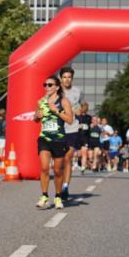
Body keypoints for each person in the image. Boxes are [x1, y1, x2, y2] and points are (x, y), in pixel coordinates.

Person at [35, 74, 74, 209]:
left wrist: (56, 111)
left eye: (50, 85)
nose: (47, 87)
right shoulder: (40, 102)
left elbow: (70, 120)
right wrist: (37, 116)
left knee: (57, 171)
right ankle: (44, 196)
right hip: (44, 138)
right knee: (44, 167)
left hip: (59, 139)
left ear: (57, 87)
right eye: (45, 85)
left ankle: (57, 197)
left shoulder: (63, 101)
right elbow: (36, 118)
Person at [58, 67, 81, 201]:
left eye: (69, 77)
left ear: (72, 78)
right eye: (65, 77)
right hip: (58, 128)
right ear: (61, 78)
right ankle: (59, 187)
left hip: (72, 128)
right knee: (59, 161)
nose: (67, 79)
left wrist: (81, 109)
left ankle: (65, 187)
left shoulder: (77, 91)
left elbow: (83, 105)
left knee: (68, 157)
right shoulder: (56, 91)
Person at [74, 102, 91, 174]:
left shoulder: (89, 117)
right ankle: (78, 163)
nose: (85, 108)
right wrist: (78, 126)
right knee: (79, 154)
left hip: (85, 137)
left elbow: (89, 126)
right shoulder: (77, 116)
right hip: (78, 136)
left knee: (84, 152)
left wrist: (89, 126)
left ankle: (83, 168)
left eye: (86, 107)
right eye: (83, 107)